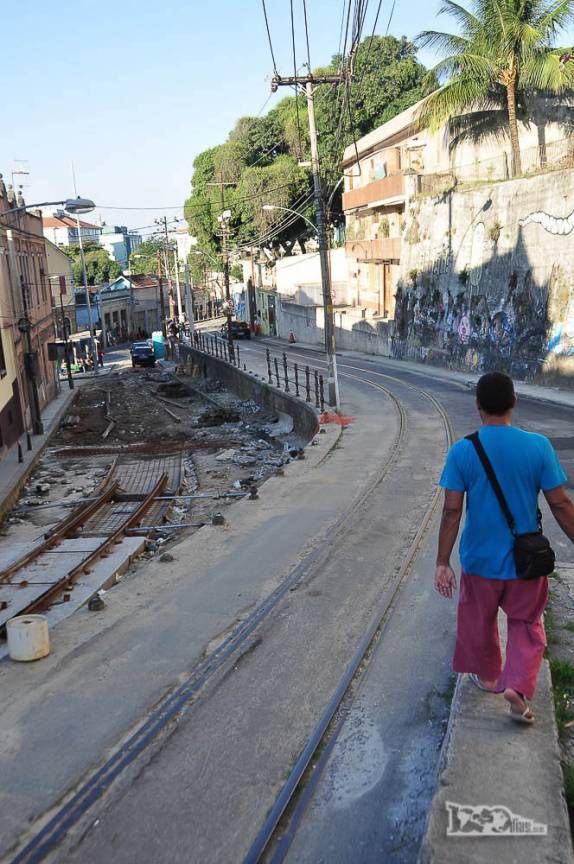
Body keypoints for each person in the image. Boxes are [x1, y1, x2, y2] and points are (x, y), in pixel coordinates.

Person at [436, 371, 574, 724]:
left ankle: (489, 677)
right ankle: (517, 684)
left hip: (480, 560)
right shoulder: (538, 446)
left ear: (478, 407)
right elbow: (560, 504)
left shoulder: (463, 451)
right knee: (527, 623)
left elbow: (452, 510)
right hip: (525, 562)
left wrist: (442, 561)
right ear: (514, 401)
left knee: (478, 621)